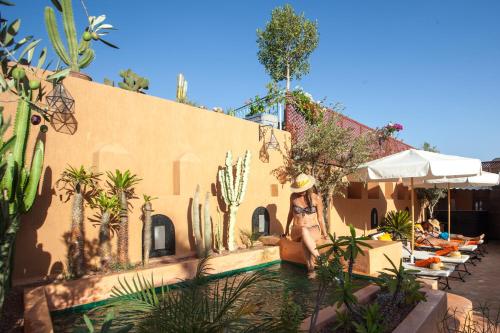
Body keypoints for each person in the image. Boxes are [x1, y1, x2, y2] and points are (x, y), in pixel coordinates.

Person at [284, 173, 328, 272]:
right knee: (303, 230)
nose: (301, 192)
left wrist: (325, 234)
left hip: (313, 229)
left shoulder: (316, 198)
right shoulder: (293, 197)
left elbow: (320, 218)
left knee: (305, 240)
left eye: (303, 189)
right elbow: (290, 213)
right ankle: (320, 260)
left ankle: (311, 270)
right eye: (299, 189)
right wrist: (286, 228)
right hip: (297, 230)